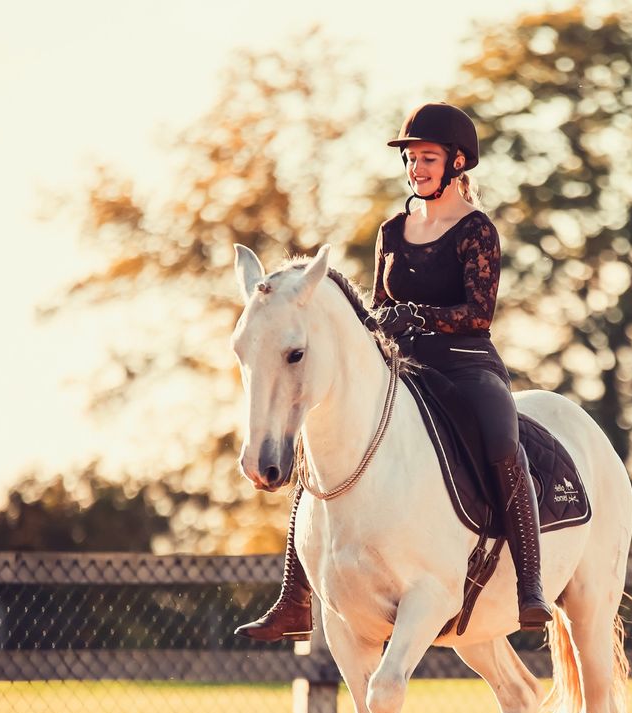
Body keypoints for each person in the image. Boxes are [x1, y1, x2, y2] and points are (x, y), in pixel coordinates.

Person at [236, 101, 552, 641]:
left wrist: (421, 315)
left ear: (456, 164)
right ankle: (294, 597)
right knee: (320, 442)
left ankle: (530, 585)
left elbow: (478, 313)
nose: (417, 169)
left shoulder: (478, 231)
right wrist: (389, 321)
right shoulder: (392, 230)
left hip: (468, 362)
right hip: (406, 364)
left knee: (502, 440)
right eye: (412, 159)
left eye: (428, 158)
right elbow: (380, 308)